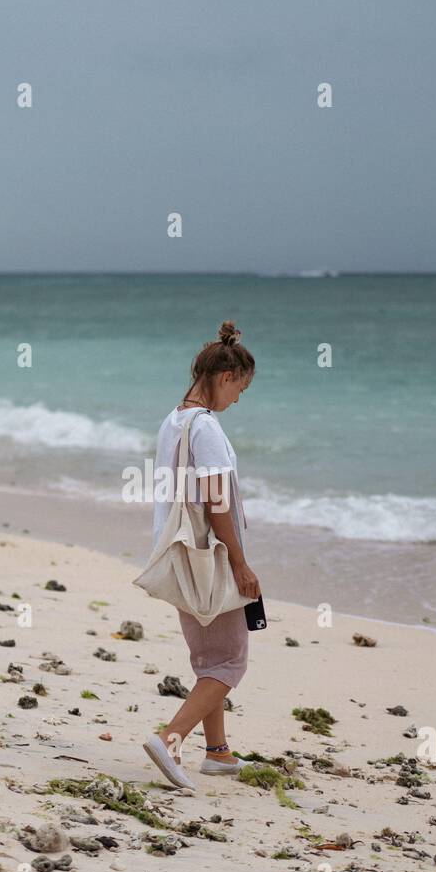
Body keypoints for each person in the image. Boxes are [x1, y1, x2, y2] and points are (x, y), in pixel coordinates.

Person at [143, 320, 260, 790]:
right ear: (226, 377)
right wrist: (239, 563)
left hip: (178, 551)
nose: (238, 400)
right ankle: (168, 739)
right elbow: (216, 501)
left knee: (210, 656)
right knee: (230, 662)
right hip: (208, 555)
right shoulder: (206, 428)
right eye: (240, 389)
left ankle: (218, 752)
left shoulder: (173, 421)